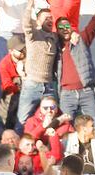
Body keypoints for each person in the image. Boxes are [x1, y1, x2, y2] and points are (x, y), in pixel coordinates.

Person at [56, 0, 95, 121]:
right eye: (61, 27)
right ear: (57, 31)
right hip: (66, 94)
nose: (65, 29)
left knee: (94, 124)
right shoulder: (55, 45)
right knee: (64, 127)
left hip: (86, 91)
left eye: (67, 26)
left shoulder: (81, 39)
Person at [17, 0, 58, 131]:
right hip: (32, 85)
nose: (50, 20)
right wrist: (30, 5)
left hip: (49, 86)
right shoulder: (34, 34)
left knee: (50, 122)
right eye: (46, 18)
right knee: (22, 120)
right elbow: (26, 24)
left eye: (51, 18)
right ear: (38, 22)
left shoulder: (55, 37)